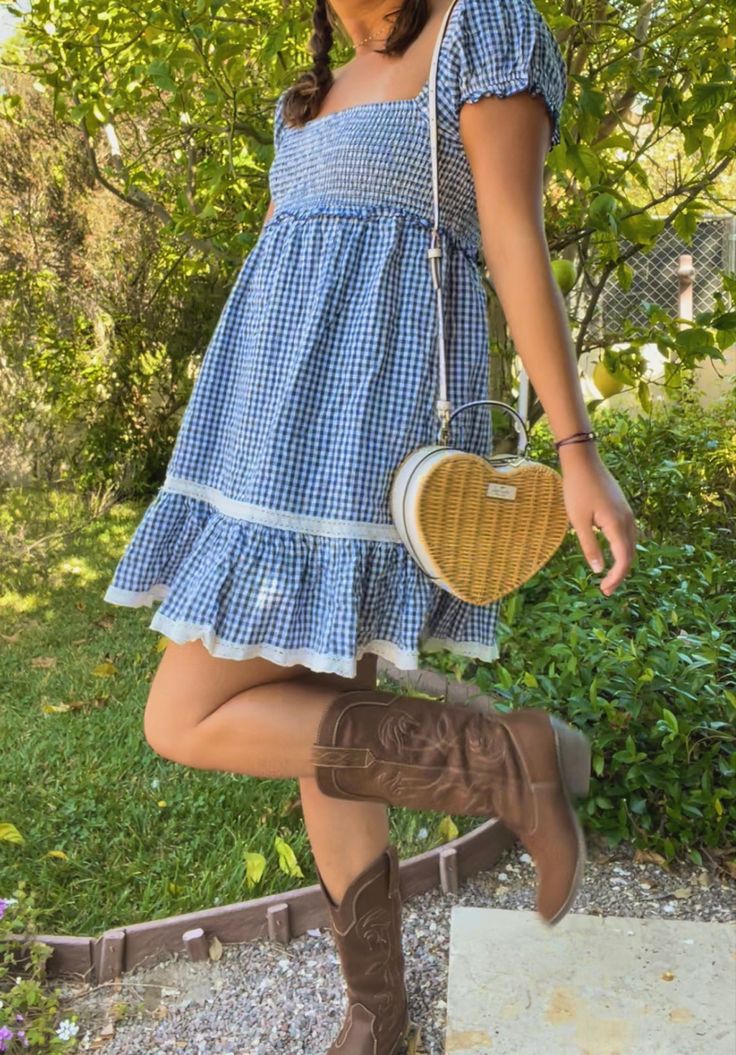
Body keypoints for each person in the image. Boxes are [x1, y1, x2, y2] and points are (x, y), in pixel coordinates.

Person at [104, 0, 637, 1050]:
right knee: (325, 726)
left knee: (182, 715)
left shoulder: (481, 27)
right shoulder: (303, 101)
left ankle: (502, 759)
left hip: (360, 432)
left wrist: (574, 447)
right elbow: (277, 271)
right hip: (264, 432)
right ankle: (378, 1013)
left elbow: (511, 232)